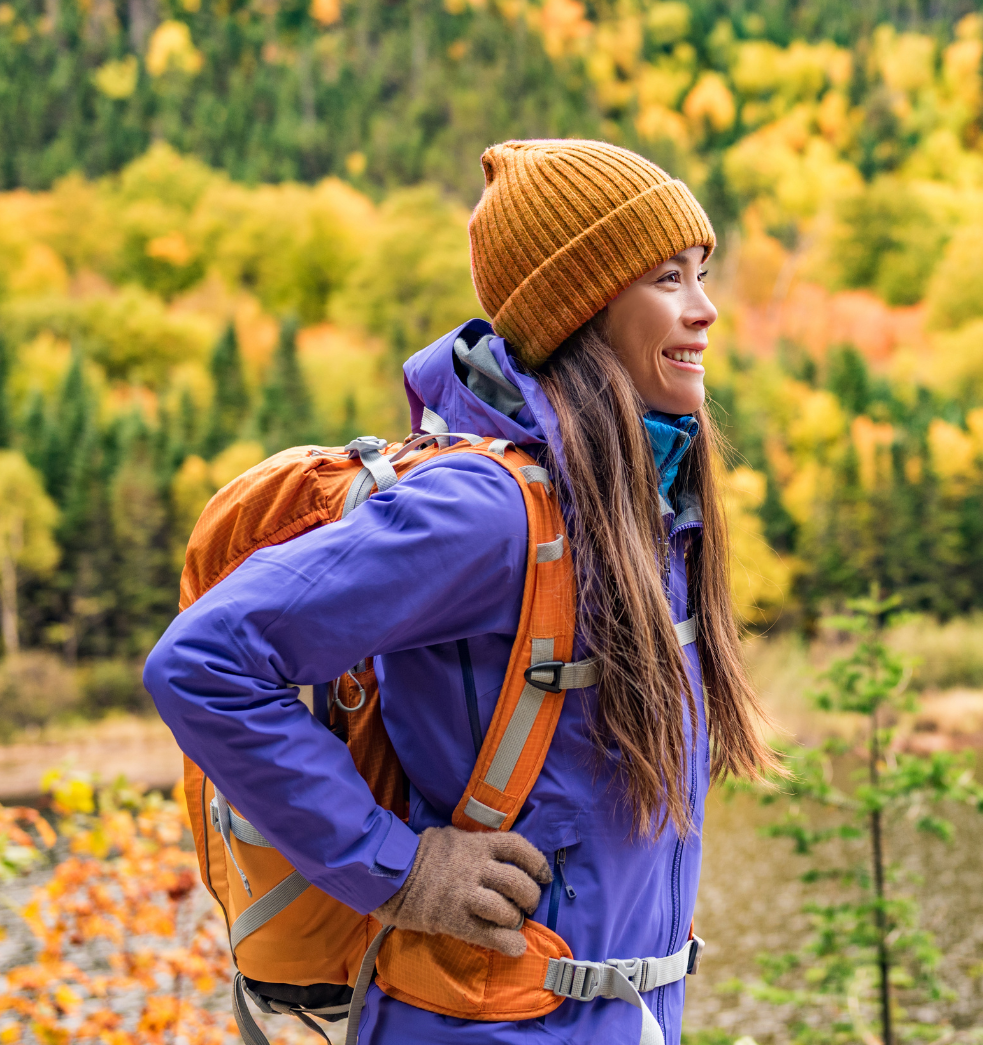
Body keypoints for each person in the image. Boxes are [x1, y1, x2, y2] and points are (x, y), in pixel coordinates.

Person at [146, 139, 774, 1044]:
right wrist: (402, 870)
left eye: (701, 273)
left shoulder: (641, 505)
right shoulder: (487, 510)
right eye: (668, 279)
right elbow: (202, 663)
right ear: (580, 310)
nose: (706, 309)